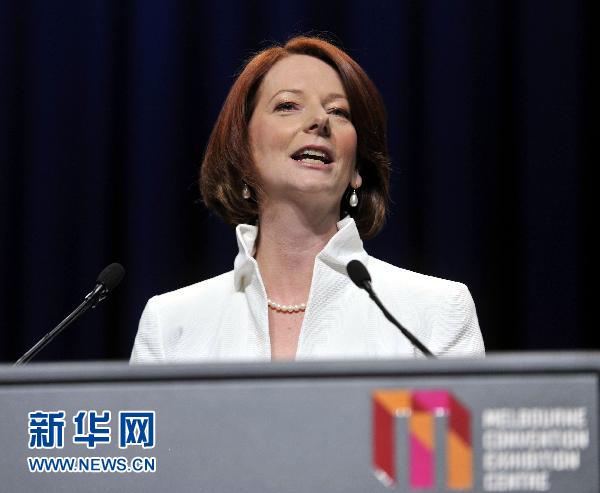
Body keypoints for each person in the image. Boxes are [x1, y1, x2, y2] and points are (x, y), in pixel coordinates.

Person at [130, 36, 484, 363]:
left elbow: (452, 417)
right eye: (288, 105)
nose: (319, 120)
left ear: (356, 169)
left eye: (338, 111)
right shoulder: (171, 325)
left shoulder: (434, 313)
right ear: (243, 153)